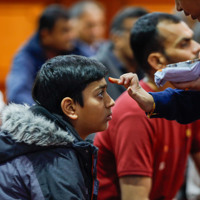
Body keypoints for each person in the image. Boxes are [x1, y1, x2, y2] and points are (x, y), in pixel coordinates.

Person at [94, 12, 200, 200]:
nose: (197, 48)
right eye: (185, 44)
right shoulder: (134, 111)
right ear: (157, 61)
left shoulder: (190, 100)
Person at [0, 55, 115, 200]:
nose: (111, 102)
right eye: (100, 94)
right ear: (70, 107)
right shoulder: (54, 161)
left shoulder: (42, 146)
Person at [6, 4, 76, 105]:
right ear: (45, 35)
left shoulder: (75, 49)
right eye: (64, 31)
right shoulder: (25, 57)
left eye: (71, 30)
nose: (71, 36)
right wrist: (45, 114)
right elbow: (17, 95)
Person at [93, 7, 148, 100]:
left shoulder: (151, 67)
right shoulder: (93, 70)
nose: (143, 40)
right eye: (136, 33)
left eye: (146, 34)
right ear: (116, 38)